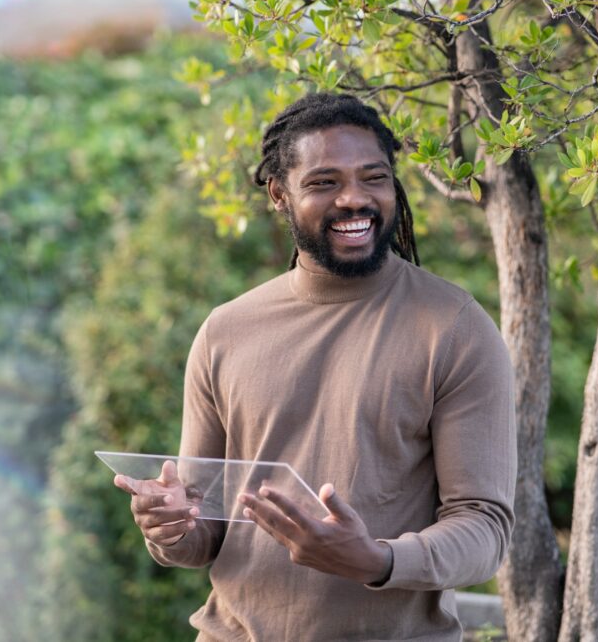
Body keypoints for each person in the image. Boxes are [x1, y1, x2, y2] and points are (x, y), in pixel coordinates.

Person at [114, 93, 517, 641]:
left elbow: (485, 531)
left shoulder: (454, 329)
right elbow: (204, 531)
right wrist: (169, 527)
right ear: (279, 194)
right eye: (324, 182)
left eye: (373, 177)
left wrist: (377, 560)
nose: (355, 198)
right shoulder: (226, 331)